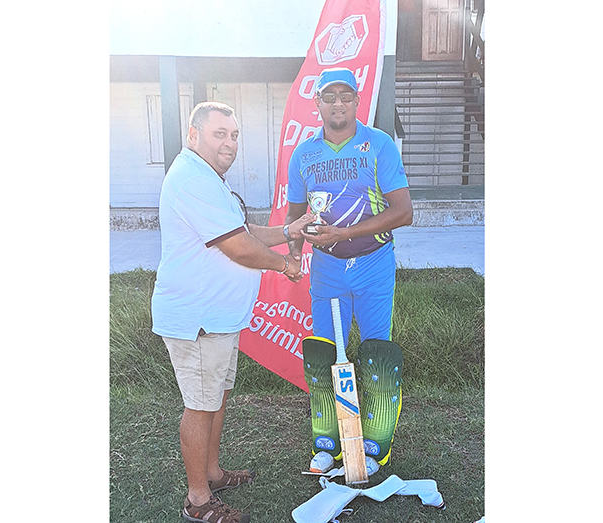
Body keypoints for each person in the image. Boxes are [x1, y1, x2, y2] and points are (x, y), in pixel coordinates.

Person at [151, 101, 315, 523]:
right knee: (200, 405)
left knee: (215, 397)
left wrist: (288, 232)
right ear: (193, 134)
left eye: (234, 134)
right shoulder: (192, 179)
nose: (229, 142)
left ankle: (212, 472)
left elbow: (242, 230)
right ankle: (198, 501)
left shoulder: (209, 178)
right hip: (199, 318)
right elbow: (237, 246)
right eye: (219, 133)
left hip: (218, 318)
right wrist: (285, 264)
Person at [284, 68, 413, 467]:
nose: (337, 103)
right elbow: (296, 218)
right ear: (317, 103)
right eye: (329, 96)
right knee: (325, 355)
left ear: (357, 101)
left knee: (377, 351)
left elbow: (404, 212)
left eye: (345, 95)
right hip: (326, 268)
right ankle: (328, 440)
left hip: (374, 263)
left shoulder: (378, 145)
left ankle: (376, 443)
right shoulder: (304, 154)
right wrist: (291, 255)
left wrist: (345, 232)